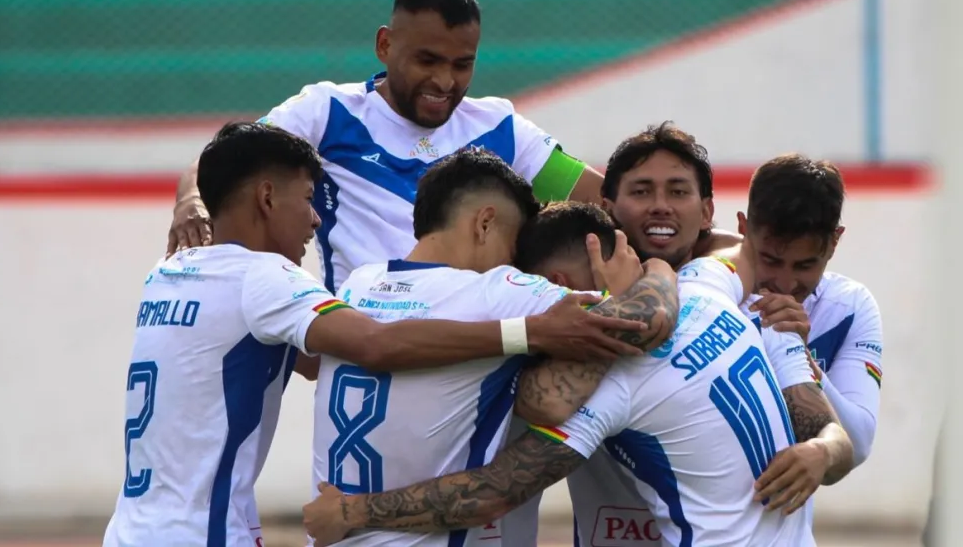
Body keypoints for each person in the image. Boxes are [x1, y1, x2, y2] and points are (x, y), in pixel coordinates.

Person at [100, 123, 653, 547]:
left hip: (130, 529)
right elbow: (377, 346)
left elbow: (334, 357)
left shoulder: (171, 273)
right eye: (306, 200)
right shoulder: (503, 292)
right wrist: (657, 276)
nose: (316, 220)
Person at [301, 201, 854, 546]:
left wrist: (352, 511)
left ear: (565, 280)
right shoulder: (712, 289)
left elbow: (496, 489)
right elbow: (834, 439)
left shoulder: (611, 381)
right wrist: (824, 451)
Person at [165, 0, 735, 290]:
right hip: (368, 352)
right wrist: (192, 200)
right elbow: (227, 158)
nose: (445, 81)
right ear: (386, 45)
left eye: (463, 64)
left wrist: (728, 254)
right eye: (428, 60)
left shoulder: (501, 127)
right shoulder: (328, 111)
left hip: (485, 361)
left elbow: (613, 203)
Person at [307, 149, 681, 546]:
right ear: (485, 223)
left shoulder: (359, 284)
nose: (514, 262)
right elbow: (646, 318)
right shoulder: (498, 291)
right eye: (513, 244)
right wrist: (656, 267)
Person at [738, 154, 883, 470]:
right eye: (771, 260)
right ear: (743, 228)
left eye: (805, 265)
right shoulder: (712, 290)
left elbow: (857, 445)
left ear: (834, 242)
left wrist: (799, 357)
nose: (786, 284)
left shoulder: (850, 307)